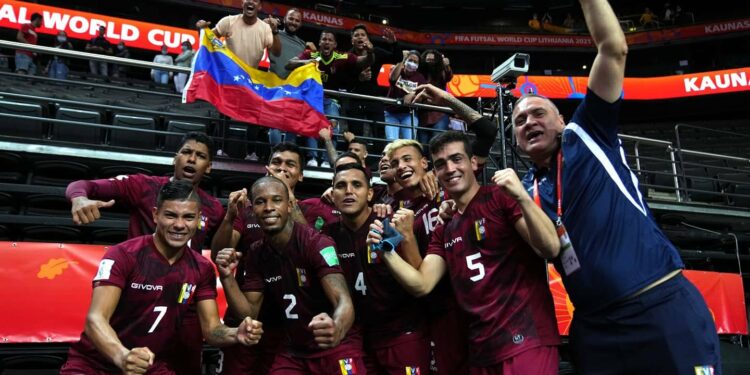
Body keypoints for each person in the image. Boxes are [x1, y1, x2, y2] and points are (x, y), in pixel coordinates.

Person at [514, 0, 721, 373]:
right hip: (596, 329)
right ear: (515, 141)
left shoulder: (587, 133)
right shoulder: (526, 189)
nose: (528, 121)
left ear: (561, 121)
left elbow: (614, 48)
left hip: (659, 309)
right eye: (519, 120)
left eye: (538, 112)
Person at [370, 129, 562, 374]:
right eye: (441, 164)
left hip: (526, 340)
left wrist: (523, 198)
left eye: (457, 159)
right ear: (435, 172)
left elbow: (550, 248)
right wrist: (386, 249)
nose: (449, 169)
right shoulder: (445, 226)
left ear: (473, 162)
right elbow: (421, 284)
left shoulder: (500, 198)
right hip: (481, 351)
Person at [60, 180, 263, 374]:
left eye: (189, 217)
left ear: (199, 219)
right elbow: (96, 319)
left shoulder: (202, 268)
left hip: (150, 366)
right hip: (95, 364)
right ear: (155, 215)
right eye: (171, 215)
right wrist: (123, 357)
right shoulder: (123, 255)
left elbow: (212, 330)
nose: (179, 225)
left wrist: (235, 333)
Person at [65, 132, 225, 375]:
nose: (192, 159)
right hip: (139, 284)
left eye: (200, 156)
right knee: (122, 342)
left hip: (184, 293)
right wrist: (78, 199)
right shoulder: (143, 186)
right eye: (186, 152)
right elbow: (84, 185)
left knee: (182, 361)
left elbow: (221, 245)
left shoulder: (213, 207)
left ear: (209, 166)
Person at [215, 176, 363, 374]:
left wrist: (336, 327)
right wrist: (227, 277)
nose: (268, 207)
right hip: (294, 351)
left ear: (290, 205)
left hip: (336, 345)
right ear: (252, 210)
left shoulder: (317, 243)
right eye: (260, 201)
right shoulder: (256, 253)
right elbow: (249, 313)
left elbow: (343, 301)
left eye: (276, 200)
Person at [327, 163, 431, 374]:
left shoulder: (390, 226)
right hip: (359, 340)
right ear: (332, 194)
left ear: (370, 194)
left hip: (402, 336)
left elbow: (418, 276)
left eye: (357, 185)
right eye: (341, 186)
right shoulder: (326, 237)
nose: (348, 191)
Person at [196, 0, 282, 162]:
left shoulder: (264, 28)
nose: (250, 2)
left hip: (251, 80)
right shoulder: (228, 21)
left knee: (254, 118)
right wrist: (201, 30)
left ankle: (251, 153)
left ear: (259, 7)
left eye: (255, 0)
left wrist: (275, 31)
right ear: (242, 3)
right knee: (223, 115)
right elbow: (207, 39)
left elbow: (276, 52)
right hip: (229, 77)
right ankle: (220, 150)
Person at [287, 30, 374, 168]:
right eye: (324, 39)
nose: (326, 42)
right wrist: (306, 62)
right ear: (319, 43)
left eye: (330, 40)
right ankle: (313, 158)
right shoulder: (312, 54)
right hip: (313, 99)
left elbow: (362, 61)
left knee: (333, 126)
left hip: (331, 101)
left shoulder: (341, 56)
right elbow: (289, 63)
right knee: (312, 124)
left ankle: (328, 160)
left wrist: (369, 53)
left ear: (335, 44)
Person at [268, 8, 313, 146]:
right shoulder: (273, 34)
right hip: (274, 85)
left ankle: (288, 154)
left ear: (300, 24)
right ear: (284, 19)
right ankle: (275, 154)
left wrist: (313, 51)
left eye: (297, 20)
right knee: (274, 123)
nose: (293, 22)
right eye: (291, 18)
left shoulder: (303, 45)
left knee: (291, 125)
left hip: (293, 88)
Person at [346, 24, 399, 139]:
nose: (360, 37)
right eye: (356, 35)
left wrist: (393, 43)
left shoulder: (377, 52)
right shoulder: (348, 56)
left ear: (367, 39)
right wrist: (358, 79)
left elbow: (396, 58)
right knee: (355, 134)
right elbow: (343, 81)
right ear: (352, 41)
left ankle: (378, 156)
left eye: (363, 35)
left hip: (374, 98)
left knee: (379, 134)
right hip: (355, 99)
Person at [384, 51, 426, 141]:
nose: (412, 63)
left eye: (415, 62)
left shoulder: (420, 78)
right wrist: (402, 60)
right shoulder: (398, 70)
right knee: (391, 141)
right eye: (410, 60)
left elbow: (422, 96)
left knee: (409, 142)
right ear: (405, 60)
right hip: (391, 113)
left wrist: (413, 95)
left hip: (408, 114)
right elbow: (392, 78)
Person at [418, 49, 453, 145]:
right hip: (422, 115)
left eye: (432, 60)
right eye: (427, 60)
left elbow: (448, 76)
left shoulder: (440, 73)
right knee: (423, 146)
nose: (429, 63)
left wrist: (446, 65)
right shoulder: (419, 74)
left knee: (438, 144)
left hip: (439, 113)